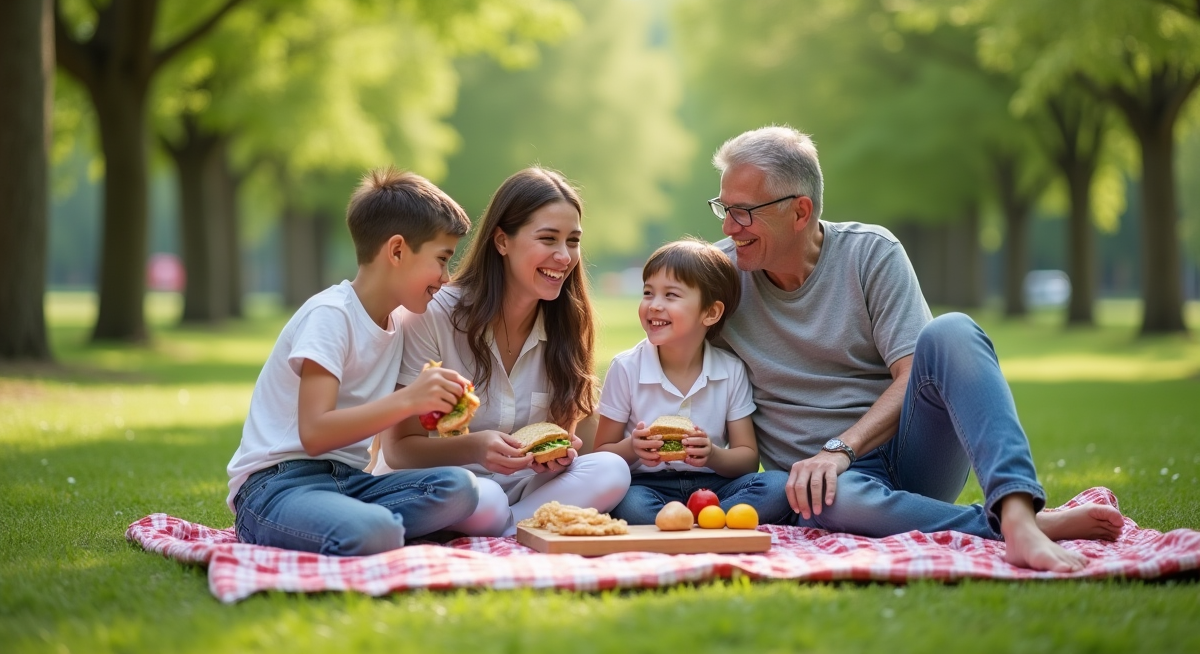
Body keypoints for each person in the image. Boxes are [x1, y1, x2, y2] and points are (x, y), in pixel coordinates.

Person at [707, 126, 1125, 572]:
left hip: (915, 453)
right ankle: (1004, 526)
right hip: (829, 490)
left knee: (953, 331)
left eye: (743, 212)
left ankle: (1019, 513)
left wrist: (841, 448)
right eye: (724, 209)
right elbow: (665, 341)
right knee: (832, 500)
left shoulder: (871, 254)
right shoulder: (718, 279)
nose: (729, 227)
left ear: (800, 211)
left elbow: (911, 375)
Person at [226, 168, 481, 556]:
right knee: (376, 529)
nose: (445, 277)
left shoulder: (397, 323)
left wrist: (436, 404)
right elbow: (315, 433)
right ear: (397, 251)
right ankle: (365, 530)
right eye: (442, 259)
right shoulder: (331, 316)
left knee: (460, 489)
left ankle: (355, 527)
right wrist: (410, 400)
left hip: (349, 482)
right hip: (277, 485)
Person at [376, 167, 630, 536]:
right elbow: (399, 450)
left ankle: (508, 527)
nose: (564, 256)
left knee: (612, 470)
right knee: (486, 498)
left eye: (573, 241)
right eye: (548, 239)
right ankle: (523, 526)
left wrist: (559, 455)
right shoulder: (432, 315)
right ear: (502, 241)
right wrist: (475, 448)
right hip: (447, 486)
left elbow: (574, 437)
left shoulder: (568, 324)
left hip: (522, 489)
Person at [594, 239, 777, 524]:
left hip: (714, 486)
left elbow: (748, 459)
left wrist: (713, 455)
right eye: (648, 293)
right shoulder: (626, 367)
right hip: (648, 486)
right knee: (630, 505)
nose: (654, 305)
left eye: (671, 295)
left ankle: (683, 523)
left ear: (711, 313)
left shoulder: (730, 370)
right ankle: (709, 523)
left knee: (777, 485)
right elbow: (601, 453)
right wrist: (632, 448)